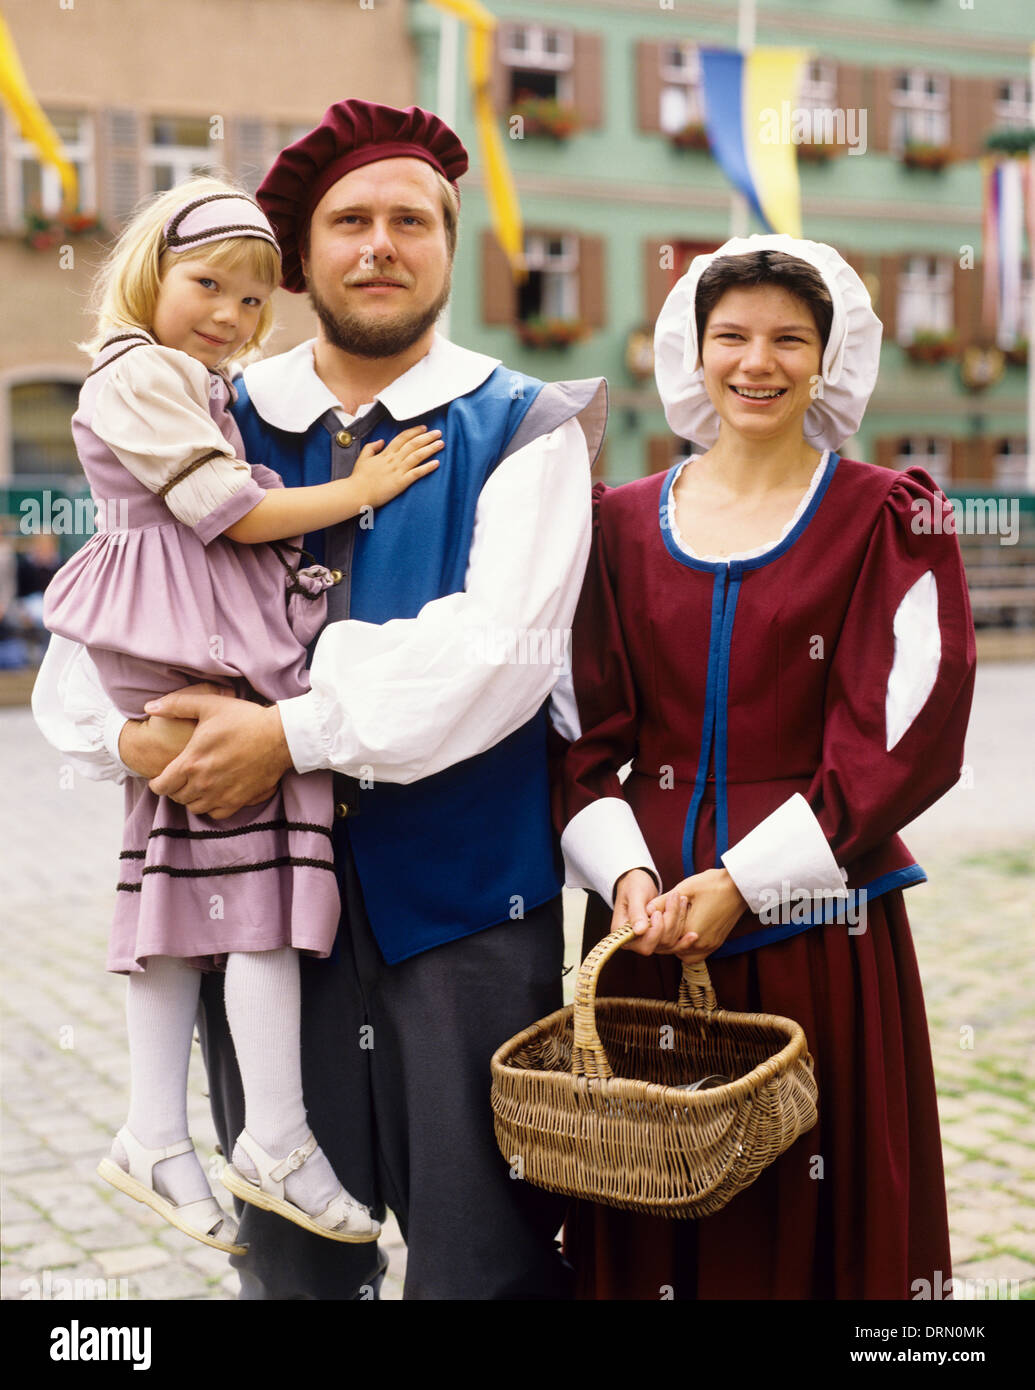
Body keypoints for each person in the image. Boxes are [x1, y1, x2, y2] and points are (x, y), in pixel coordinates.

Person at [33, 100, 607, 1299]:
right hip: (257, 911)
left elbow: (498, 655)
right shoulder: (203, 413)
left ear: (451, 248)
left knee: (481, 1265)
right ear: (299, 258)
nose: (380, 244)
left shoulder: (526, 426)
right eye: (351, 220)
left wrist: (286, 731)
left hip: (464, 912)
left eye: (413, 220)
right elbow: (97, 635)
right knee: (294, 1267)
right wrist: (135, 738)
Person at [558, 234, 976, 1300]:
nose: (759, 360)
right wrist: (633, 880)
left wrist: (745, 881)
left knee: (813, 1211)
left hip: (815, 932)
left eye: (791, 338)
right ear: (692, 353)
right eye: (732, 335)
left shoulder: (890, 516)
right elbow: (583, 734)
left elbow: (904, 735)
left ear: (827, 360)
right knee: (659, 1201)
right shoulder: (613, 525)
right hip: (650, 932)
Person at [42, 175, 444, 1254]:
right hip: (172, 628)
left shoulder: (186, 377)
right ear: (148, 275)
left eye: (255, 302)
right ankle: (268, 1133)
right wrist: (363, 490)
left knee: (179, 881)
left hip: (184, 627)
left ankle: (160, 1131)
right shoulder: (142, 376)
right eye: (208, 284)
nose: (230, 315)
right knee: (260, 876)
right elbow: (230, 509)